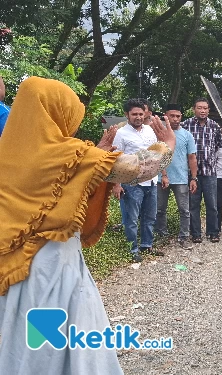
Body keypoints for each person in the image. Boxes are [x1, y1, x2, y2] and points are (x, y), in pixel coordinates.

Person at [0, 76, 175, 374]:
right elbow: (136, 169)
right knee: (53, 335)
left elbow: (63, 179)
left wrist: (96, 152)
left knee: (17, 330)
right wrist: (167, 145)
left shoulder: (8, 151)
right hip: (51, 263)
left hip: (11, 264)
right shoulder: (67, 152)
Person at [112, 99, 165, 263]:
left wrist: (163, 175)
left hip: (151, 181)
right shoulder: (121, 134)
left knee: (150, 217)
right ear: (127, 115)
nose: (138, 117)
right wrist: (116, 184)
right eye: (134, 114)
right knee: (131, 219)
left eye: (141, 114)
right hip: (131, 183)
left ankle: (147, 245)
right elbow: (114, 159)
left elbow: (158, 154)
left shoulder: (150, 131)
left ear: (145, 114)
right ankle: (132, 249)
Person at [155, 104, 198, 250]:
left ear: (181, 117)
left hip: (180, 179)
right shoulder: (159, 134)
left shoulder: (187, 135)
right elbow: (156, 156)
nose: (175, 119)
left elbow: (192, 158)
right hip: (161, 178)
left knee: (184, 210)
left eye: (178, 116)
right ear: (165, 116)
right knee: (160, 209)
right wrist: (163, 174)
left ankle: (184, 237)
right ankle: (162, 235)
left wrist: (193, 178)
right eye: (171, 116)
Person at [182, 98, 222, 243]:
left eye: (205, 108)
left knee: (212, 204)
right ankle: (196, 233)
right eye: (199, 108)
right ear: (194, 109)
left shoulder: (214, 126)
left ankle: (213, 232)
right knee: (193, 204)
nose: (203, 111)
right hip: (192, 173)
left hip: (210, 172)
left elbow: (218, 145)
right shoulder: (186, 125)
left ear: (208, 110)